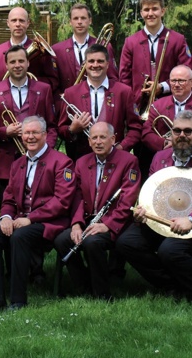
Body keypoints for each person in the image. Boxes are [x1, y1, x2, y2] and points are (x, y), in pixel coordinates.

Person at [120, 110, 192, 301]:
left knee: (170, 250)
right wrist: (143, 208)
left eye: (188, 131)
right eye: (177, 131)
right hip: (162, 220)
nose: (181, 136)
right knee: (127, 242)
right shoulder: (159, 157)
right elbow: (153, 191)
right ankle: (171, 285)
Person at [0, 116, 75, 311]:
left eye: (34, 133)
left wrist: (30, 219)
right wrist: (5, 217)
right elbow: (8, 198)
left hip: (50, 223)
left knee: (20, 237)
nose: (30, 137)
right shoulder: (18, 164)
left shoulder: (62, 162)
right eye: (26, 133)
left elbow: (62, 202)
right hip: (20, 220)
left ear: (45, 135)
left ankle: (18, 300)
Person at [54, 122, 141, 300]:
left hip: (116, 222)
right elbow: (76, 196)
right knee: (62, 240)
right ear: (89, 140)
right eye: (94, 137)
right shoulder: (81, 162)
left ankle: (102, 293)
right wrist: (77, 223)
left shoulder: (129, 161)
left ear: (113, 139)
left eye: (103, 137)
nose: (98, 142)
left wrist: (107, 225)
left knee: (92, 243)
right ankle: (84, 286)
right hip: (87, 219)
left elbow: (128, 198)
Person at [0, 45, 57, 203]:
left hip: (38, 160)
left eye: (21, 61)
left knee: (35, 205)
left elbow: (51, 127)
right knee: (6, 207)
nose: (17, 65)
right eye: (13, 61)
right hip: (5, 161)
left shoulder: (44, 89)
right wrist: (4, 131)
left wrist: (46, 151)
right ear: (6, 65)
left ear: (28, 63)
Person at [58, 44, 140, 161]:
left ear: (108, 64)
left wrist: (122, 147)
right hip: (81, 160)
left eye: (100, 61)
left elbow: (135, 128)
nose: (95, 65)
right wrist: (72, 129)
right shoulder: (71, 92)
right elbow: (61, 129)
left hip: (115, 159)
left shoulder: (123, 91)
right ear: (85, 64)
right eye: (91, 61)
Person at [118, 0, 191, 109]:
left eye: (155, 9)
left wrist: (162, 87)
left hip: (169, 103)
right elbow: (124, 77)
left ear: (162, 11)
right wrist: (131, 102)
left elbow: (187, 70)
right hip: (139, 105)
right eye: (146, 10)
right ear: (141, 13)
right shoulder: (130, 42)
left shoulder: (177, 40)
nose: (150, 13)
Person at [141, 65, 192, 152]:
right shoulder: (157, 105)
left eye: (181, 81)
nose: (177, 85)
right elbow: (146, 133)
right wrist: (165, 143)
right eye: (173, 81)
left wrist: (185, 143)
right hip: (166, 156)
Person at [0, 7, 58, 95]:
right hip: (4, 104)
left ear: (28, 23)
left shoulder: (42, 51)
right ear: (8, 23)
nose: (18, 24)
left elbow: (53, 81)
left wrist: (29, 82)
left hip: (34, 103)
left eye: (21, 20)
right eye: (14, 20)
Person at [52, 3, 118, 95]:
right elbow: (53, 84)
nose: (79, 22)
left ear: (90, 21)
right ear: (70, 22)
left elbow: (113, 78)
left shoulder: (104, 45)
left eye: (83, 18)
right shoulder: (57, 50)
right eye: (75, 18)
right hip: (68, 104)